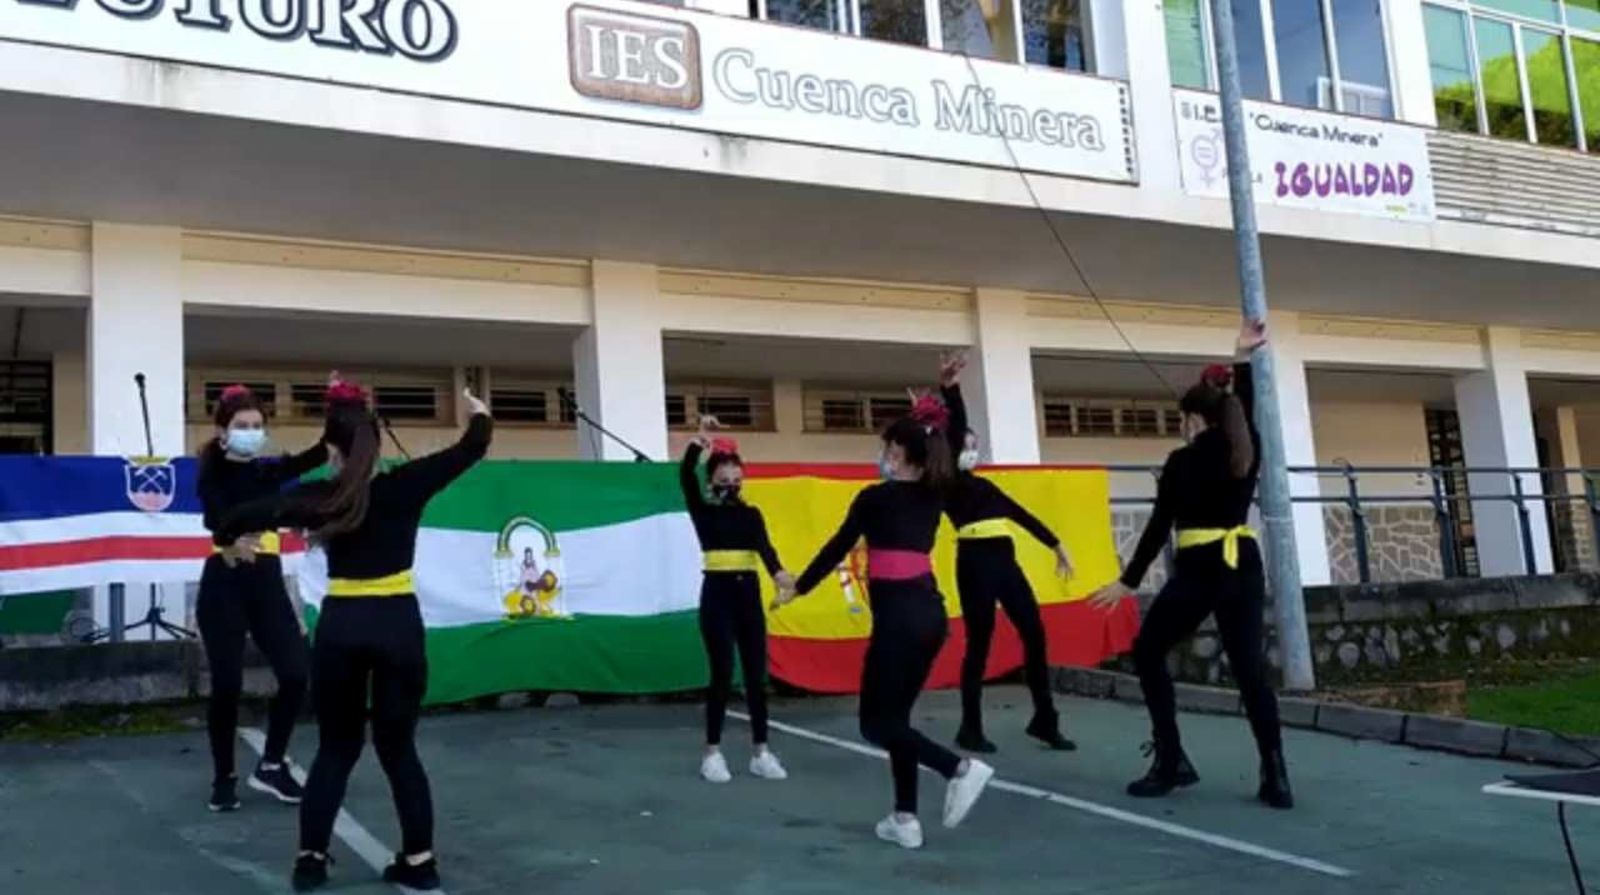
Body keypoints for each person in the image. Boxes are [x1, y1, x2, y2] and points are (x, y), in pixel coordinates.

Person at [217, 376, 493, 891]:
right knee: (399, 749)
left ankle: (311, 860)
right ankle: (419, 863)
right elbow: (473, 446)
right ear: (377, 443)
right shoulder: (406, 485)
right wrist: (477, 409)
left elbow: (237, 514)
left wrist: (230, 537)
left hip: (342, 627)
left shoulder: (318, 497)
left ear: (332, 448)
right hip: (397, 626)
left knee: (336, 748)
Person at [1089, 319, 1292, 810]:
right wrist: (1242, 357)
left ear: (1193, 421)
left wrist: (1127, 580)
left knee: (1148, 650)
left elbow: (1160, 524)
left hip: (1202, 567)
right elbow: (1245, 409)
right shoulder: (1249, 448)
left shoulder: (1182, 461)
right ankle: (1275, 773)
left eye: (1182, 419)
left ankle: (1171, 759)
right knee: (1250, 671)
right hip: (1243, 563)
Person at [774, 397, 994, 850]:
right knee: (897, 720)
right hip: (931, 616)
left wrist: (799, 587)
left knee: (876, 725)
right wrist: (948, 394)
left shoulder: (874, 498)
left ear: (896, 453)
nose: (881, 457)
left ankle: (958, 769)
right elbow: (953, 441)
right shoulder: (936, 493)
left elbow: (838, 548)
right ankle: (905, 818)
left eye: (886, 448)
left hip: (899, 622)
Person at [934, 354, 1076, 754]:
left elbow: (1024, 517)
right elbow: (955, 427)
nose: (971, 449)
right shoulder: (949, 483)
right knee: (979, 643)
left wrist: (1057, 546)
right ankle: (970, 727)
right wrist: (950, 389)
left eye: (975, 445)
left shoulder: (988, 488)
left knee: (1034, 631)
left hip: (1006, 566)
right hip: (974, 565)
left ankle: (1045, 719)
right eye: (966, 443)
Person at [196, 384, 325, 812]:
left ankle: (271, 764)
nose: (250, 432)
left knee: (295, 672)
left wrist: (344, 415)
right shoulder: (212, 471)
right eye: (241, 426)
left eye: (256, 426)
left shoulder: (268, 471)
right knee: (227, 685)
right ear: (223, 431)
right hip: (225, 582)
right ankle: (222, 777)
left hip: (266, 580)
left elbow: (316, 456)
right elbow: (216, 520)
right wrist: (230, 540)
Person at [679, 415, 794, 784]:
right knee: (722, 674)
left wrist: (781, 578)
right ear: (712, 481)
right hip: (717, 596)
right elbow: (684, 476)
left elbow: (766, 550)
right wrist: (700, 441)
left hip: (748, 596)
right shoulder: (703, 510)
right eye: (724, 479)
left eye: (736, 479)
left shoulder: (751, 514)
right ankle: (712, 753)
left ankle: (761, 751)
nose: (731, 485)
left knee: (756, 675)